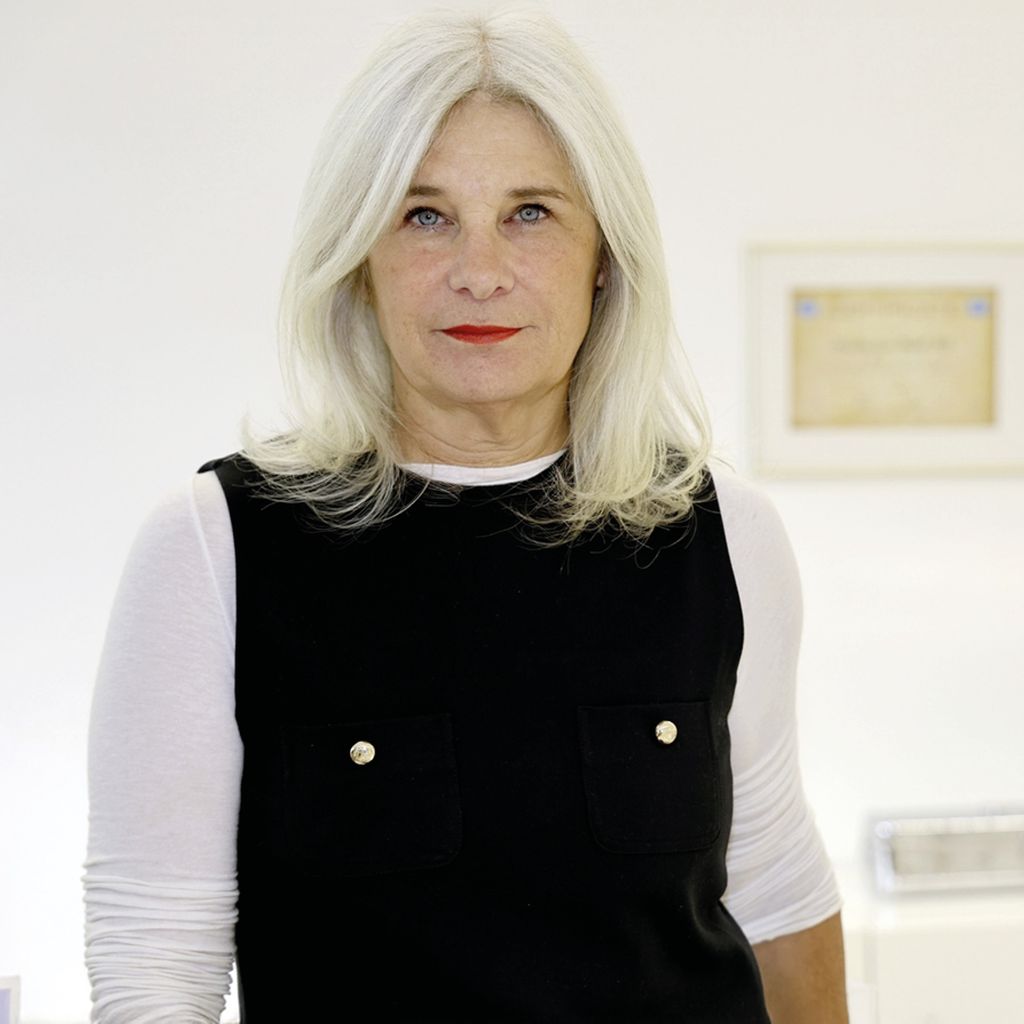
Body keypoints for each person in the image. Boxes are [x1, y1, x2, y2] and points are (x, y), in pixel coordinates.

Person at [84, 8, 848, 1022]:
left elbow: (775, 883)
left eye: (530, 212)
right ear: (359, 256)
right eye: (424, 215)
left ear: (603, 255)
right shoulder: (214, 547)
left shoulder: (725, 533)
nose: (479, 271)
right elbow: (154, 958)